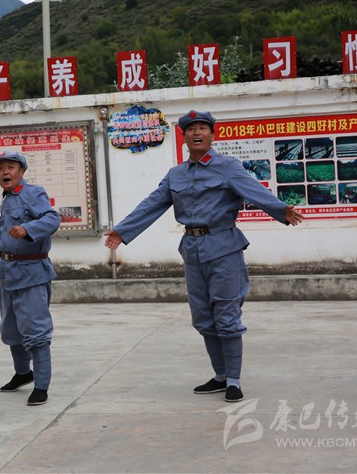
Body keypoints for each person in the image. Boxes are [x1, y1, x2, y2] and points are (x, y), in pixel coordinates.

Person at [104, 111, 304, 403]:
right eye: (191, 129)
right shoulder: (176, 175)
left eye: (203, 128)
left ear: (212, 134)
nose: (197, 133)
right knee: (202, 317)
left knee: (227, 316)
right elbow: (152, 204)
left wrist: (281, 210)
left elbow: (254, 191)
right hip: (192, 250)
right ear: (184, 137)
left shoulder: (228, 167)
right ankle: (220, 376)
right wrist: (123, 231)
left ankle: (233, 380)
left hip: (224, 248)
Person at [0, 151, 60, 406]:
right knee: (11, 329)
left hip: (31, 273)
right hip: (9, 274)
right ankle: (23, 373)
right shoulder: (7, 200)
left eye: (10, 167)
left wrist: (27, 229)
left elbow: (52, 219)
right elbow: (2, 237)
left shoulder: (33, 193)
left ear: (21, 171)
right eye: (0, 168)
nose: (5, 172)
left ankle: (42, 386)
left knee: (36, 332)